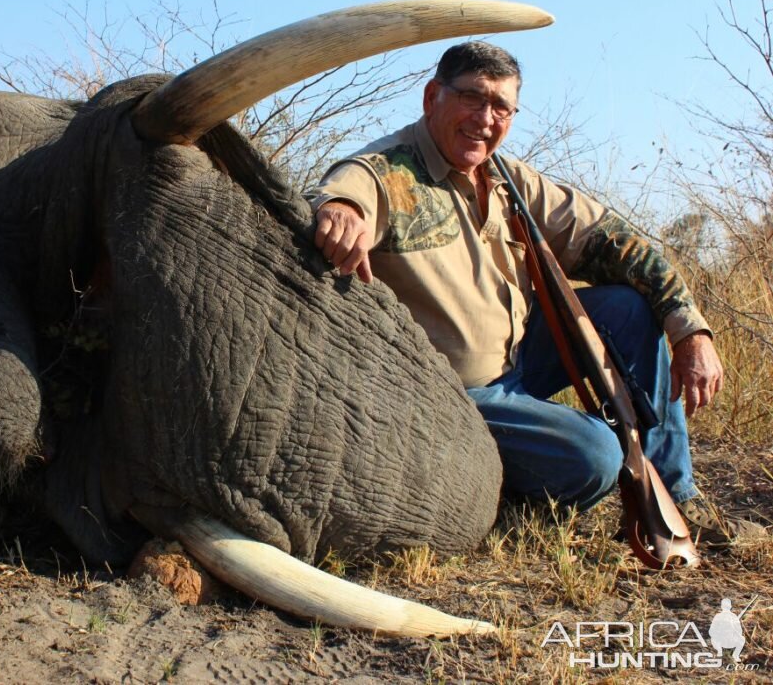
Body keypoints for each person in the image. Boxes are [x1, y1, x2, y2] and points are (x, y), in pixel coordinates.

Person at [310, 41, 764, 546]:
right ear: (432, 96)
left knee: (630, 309)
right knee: (595, 456)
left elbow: (619, 242)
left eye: (501, 106)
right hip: (450, 395)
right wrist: (341, 209)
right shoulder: (387, 171)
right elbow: (346, 190)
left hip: (523, 359)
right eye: (472, 98)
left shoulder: (507, 178)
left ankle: (675, 498)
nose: (486, 118)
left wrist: (691, 330)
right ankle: (493, 499)